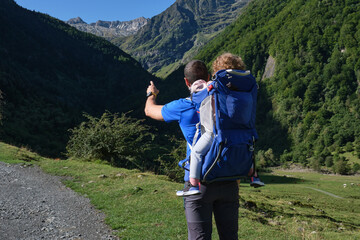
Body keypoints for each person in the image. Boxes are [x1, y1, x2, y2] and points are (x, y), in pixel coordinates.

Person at [145, 60, 240, 240]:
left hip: (198, 184)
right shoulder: (226, 104)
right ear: (209, 78)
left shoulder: (183, 106)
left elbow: (150, 111)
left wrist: (152, 94)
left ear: (187, 82)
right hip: (228, 180)